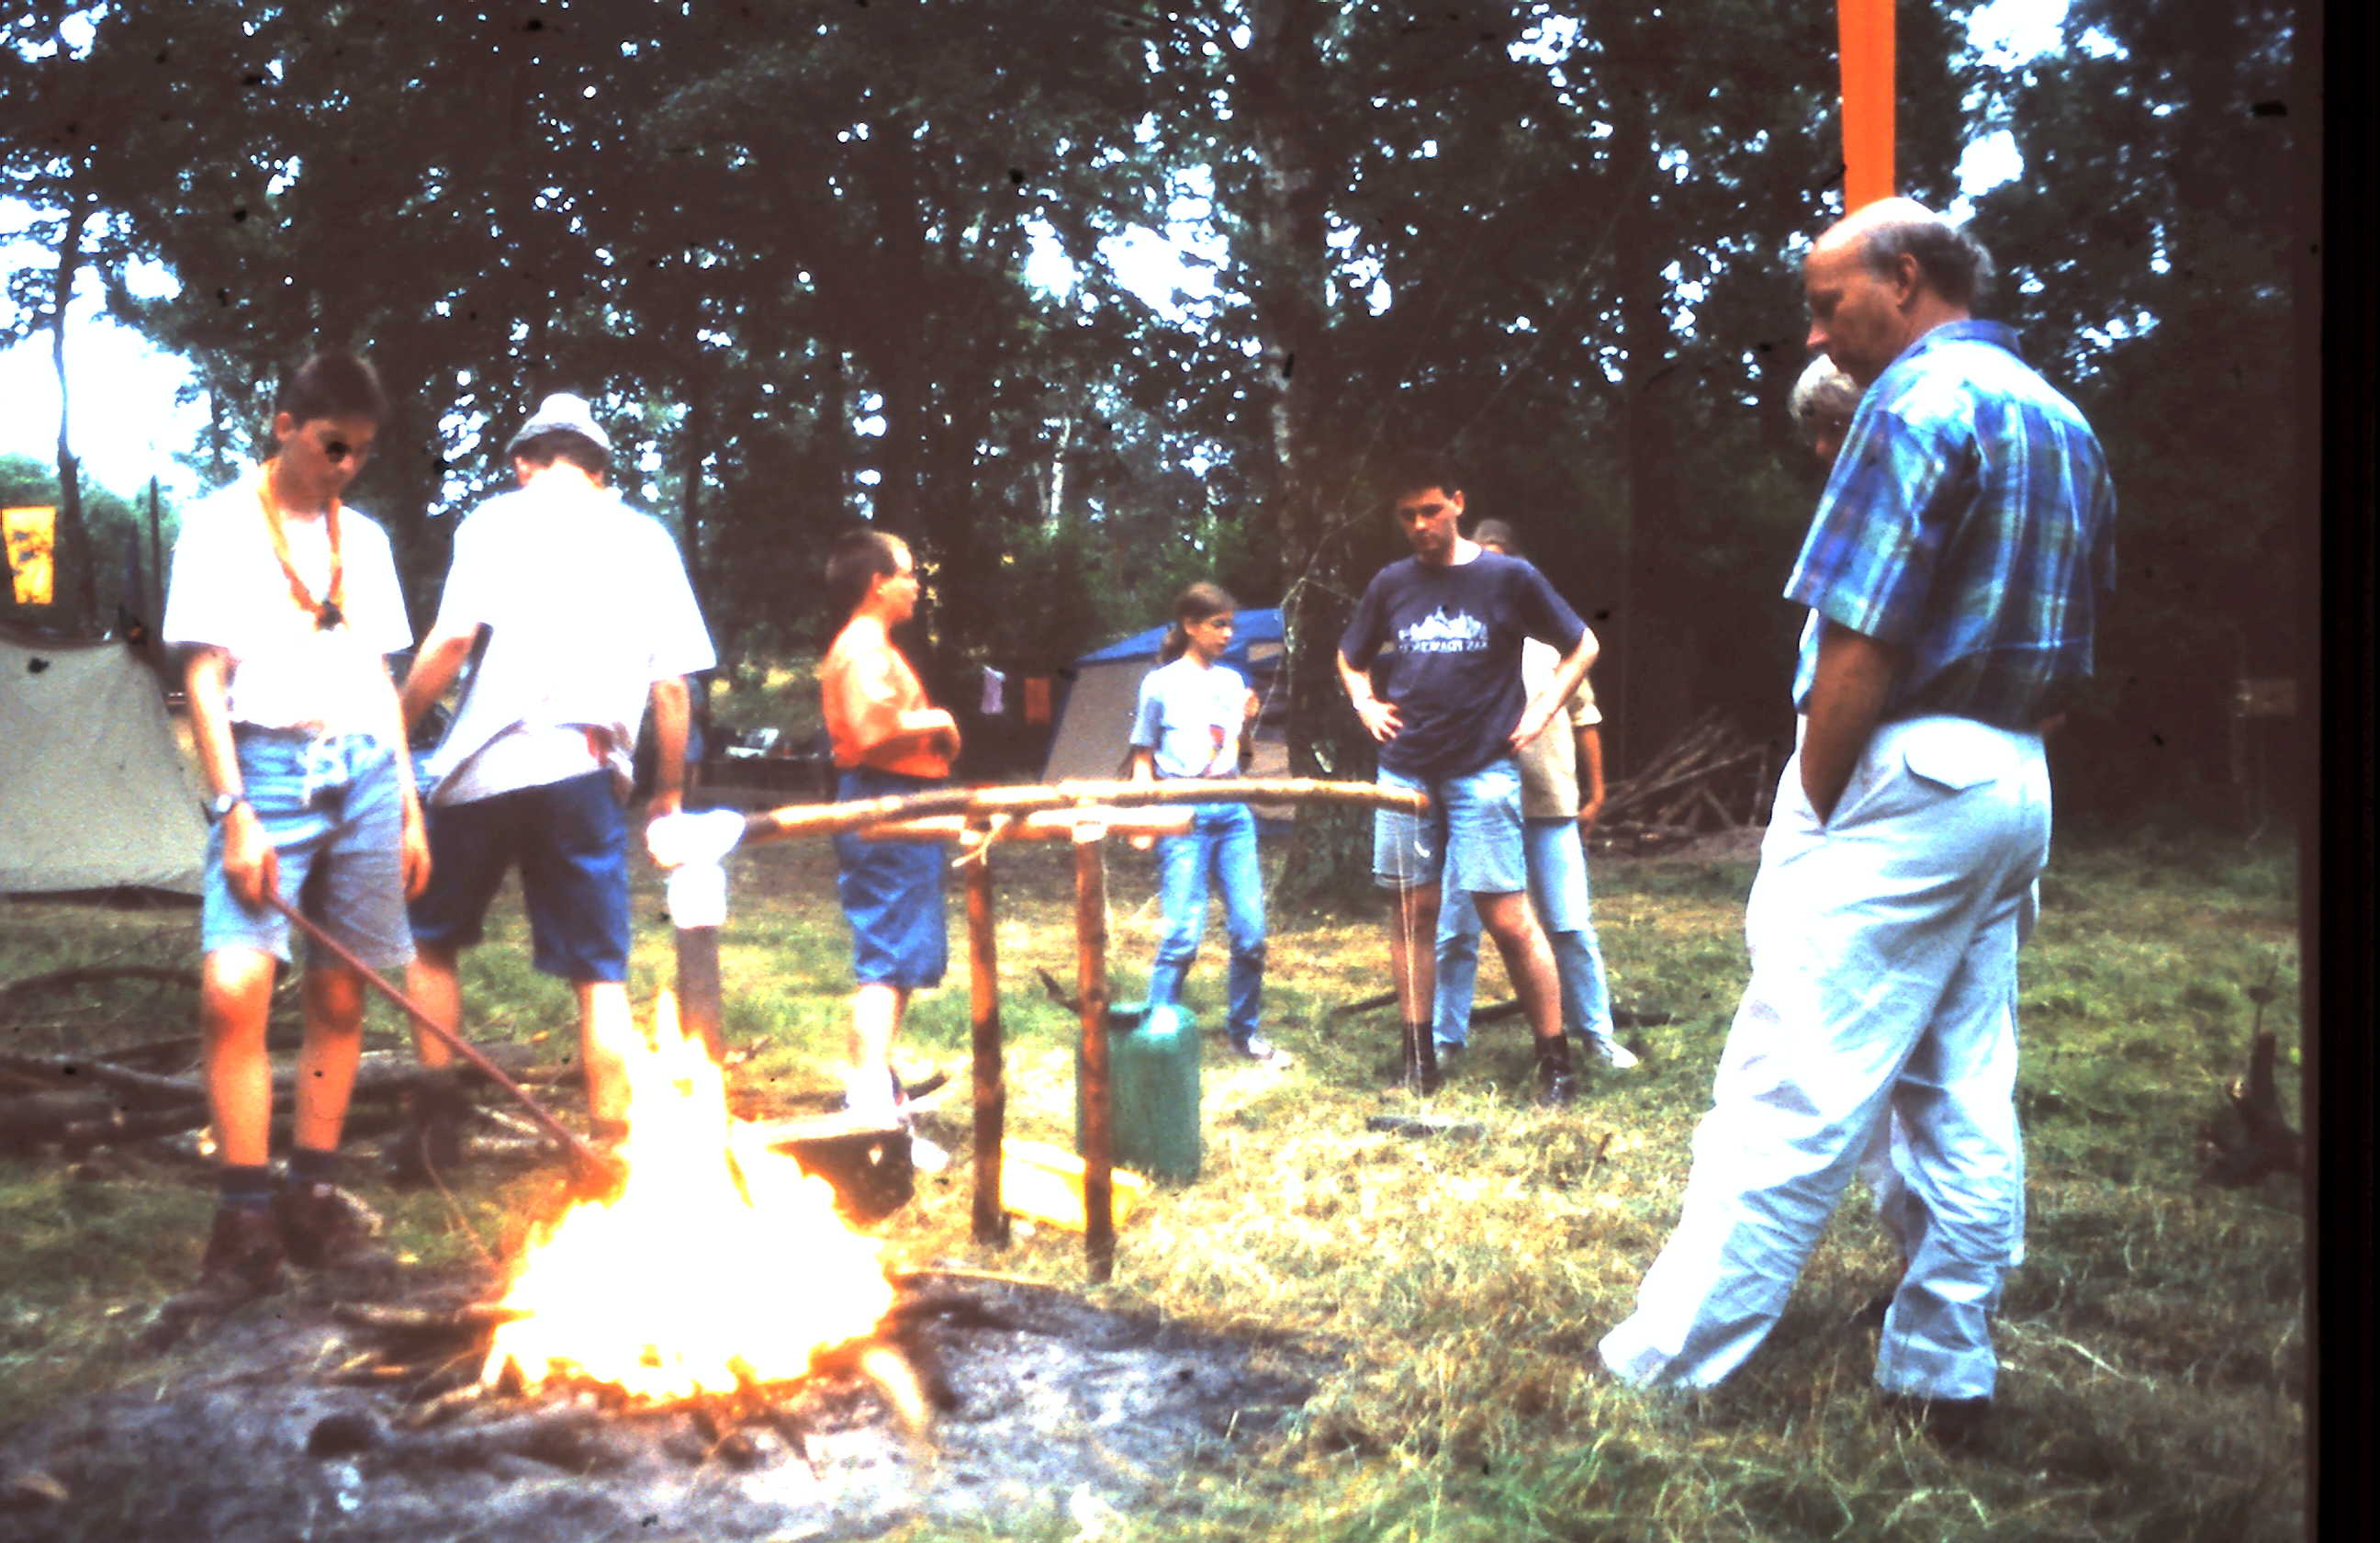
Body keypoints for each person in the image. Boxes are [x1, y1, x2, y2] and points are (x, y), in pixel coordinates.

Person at [1597, 199, 2116, 1446]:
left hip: (1905, 772)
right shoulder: (2062, 418)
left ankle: (1669, 1363)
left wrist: (1822, 805)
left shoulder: (1914, 404)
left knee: (1792, 1080)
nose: (1819, 335)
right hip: (2015, 775)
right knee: (1961, 1086)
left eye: (1829, 305)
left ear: (1905, 276)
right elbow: (2077, 645)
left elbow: (1858, 639)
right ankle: (1944, 1365)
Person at [162, 349, 428, 1311]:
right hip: (267, 771)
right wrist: (233, 809)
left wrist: (408, 803)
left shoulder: (369, 542)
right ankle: (243, 1218)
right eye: (330, 447)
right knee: (235, 988)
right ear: (284, 426)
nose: (344, 468)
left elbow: (382, 680)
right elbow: (203, 677)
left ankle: (311, 1195)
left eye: (360, 453)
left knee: (342, 992)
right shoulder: (219, 525)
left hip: (365, 772)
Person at [400, 392, 714, 1165]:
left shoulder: (494, 521)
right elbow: (673, 688)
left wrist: (394, 727)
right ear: (599, 468)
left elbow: (453, 640)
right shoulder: (647, 539)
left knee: (430, 942)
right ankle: (606, 1145)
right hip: (583, 768)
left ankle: (437, 1123)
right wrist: (668, 791)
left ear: (524, 463)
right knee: (598, 973)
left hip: (484, 767)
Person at [1337, 456, 1600, 1105]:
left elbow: (1583, 645)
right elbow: (1350, 656)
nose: (1420, 525)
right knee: (1413, 913)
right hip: (1405, 770)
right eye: (1407, 516)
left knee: (1508, 919)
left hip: (1482, 769)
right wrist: (1365, 702)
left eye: (1431, 510)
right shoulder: (1392, 583)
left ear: (1457, 502)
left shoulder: (1508, 577)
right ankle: (1418, 1058)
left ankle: (1555, 1062)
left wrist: (1543, 708)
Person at [1430, 519, 1635, 1072]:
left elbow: (1586, 719)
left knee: (1570, 926)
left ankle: (1596, 1035)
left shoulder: (1555, 650)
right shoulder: (1454, 648)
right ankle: (1445, 1040)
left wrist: (1595, 794)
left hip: (1549, 810)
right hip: (1475, 812)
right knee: (1456, 932)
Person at [820, 528, 959, 1132]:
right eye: (908, 574)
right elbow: (871, 728)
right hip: (884, 801)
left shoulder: (874, 644)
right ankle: (869, 1105)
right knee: (887, 959)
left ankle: (875, 1088)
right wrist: (939, 720)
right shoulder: (863, 647)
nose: (916, 585)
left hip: (898, 799)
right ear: (878, 583)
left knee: (895, 958)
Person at [1128, 582, 1286, 1066]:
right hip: (1183, 809)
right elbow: (1142, 757)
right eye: (1219, 625)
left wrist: (1248, 724)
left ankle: (1245, 1033)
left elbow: (1243, 756)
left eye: (1230, 625)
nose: (1228, 634)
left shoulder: (1233, 682)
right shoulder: (1159, 684)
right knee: (1182, 933)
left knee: (1251, 934)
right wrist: (1144, 817)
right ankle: (1156, 1039)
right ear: (1191, 626)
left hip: (1233, 810)